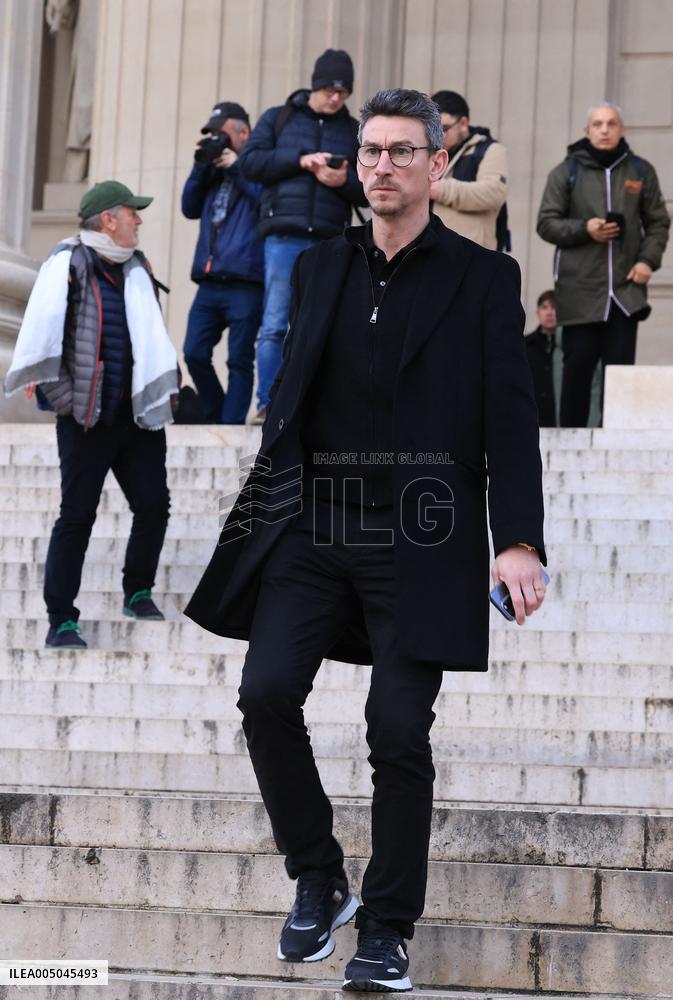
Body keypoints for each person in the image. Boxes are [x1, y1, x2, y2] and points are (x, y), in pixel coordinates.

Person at [185, 88, 547, 993]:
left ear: (435, 165)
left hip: (422, 538)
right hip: (314, 524)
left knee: (396, 732)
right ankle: (318, 876)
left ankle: (386, 928)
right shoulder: (318, 269)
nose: (380, 164)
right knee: (265, 694)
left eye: (399, 151)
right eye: (370, 150)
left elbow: (510, 419)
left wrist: (519, 541)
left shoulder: (481, 279)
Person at [4, 180, 178, 649]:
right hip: (85, 418)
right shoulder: (68, 263)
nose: (138, 220)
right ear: (108, 219)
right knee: (77, 516)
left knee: (154, 506)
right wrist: (64, 397)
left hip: (136, 417)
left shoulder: (138, 267)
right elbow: (44, 333)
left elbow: (152, 336)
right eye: (131, 212)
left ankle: (137, 591)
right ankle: (61, 618)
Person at [239, 48, 367, 421]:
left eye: (343, 93)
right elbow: (250, 163)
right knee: (275, 323)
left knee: (323, 325)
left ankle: (314, 404)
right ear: (316, 85)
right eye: (330, 90)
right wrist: (300, 159)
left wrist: (344, 181)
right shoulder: (279, 118)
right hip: (284, 235)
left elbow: (370, 187)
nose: (336, 98)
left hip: (330, 237)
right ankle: (267, 403)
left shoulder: (352, 130)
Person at [537, 102, 670, 427]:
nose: (605, 130)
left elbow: (658, 222)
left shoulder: (640, 170)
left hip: (625, 291)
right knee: (577, 372)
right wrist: (586, 229)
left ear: (622, 129)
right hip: (580, 292)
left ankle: (618, 440)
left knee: (620, 375)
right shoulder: (566, 171)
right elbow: (546, 223)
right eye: (598, 124)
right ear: (587, 131)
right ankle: (569, 448)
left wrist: (647, 262)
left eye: (611, 123)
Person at [182, 101, 264, 424]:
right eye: (212, 134)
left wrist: (236, 166)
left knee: (239, 359)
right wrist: (201, 166)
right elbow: (188, 207)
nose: (218, 140)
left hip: (246, 280)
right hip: (209, 279)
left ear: (244, 133)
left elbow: (267, 200)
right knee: (194, 351)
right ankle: (216, 415)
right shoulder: (211, 171)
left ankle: (229, 427)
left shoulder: (258, 165)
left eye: (223, 134)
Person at [429, 89, 509, 251]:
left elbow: (493, 193)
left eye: (444, 129)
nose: (439, 136)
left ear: (464, 123)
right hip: (433, 252)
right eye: (434, 130)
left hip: (473, 257)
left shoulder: (490, 150)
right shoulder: (430, 152)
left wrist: (440, 189)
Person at [525, 290, 559, 427]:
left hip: (558, 418)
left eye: (554, 307)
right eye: (544, 307)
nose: (549, 313)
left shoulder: (570, 347)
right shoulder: (525, 345)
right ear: (538, 312)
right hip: (532, 417)